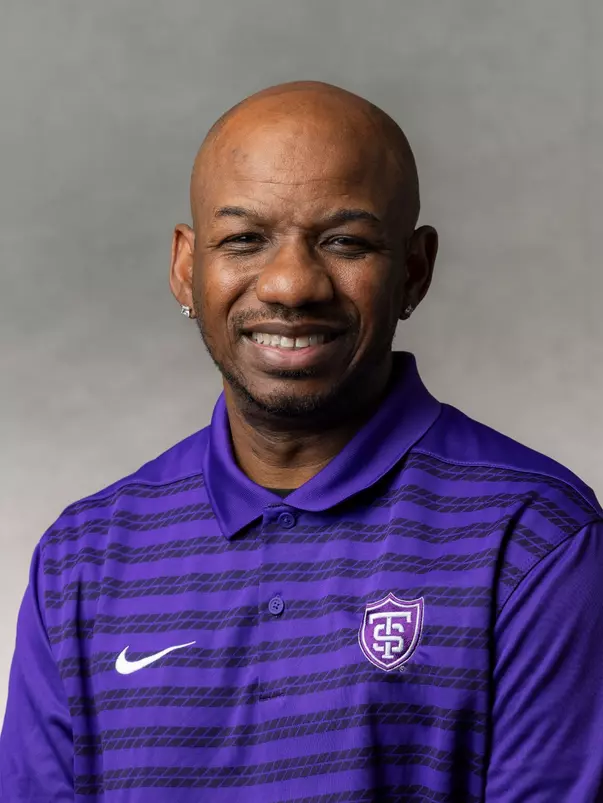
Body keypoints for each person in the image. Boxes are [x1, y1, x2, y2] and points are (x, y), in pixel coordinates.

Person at [1, 80, 601, 803]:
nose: (290, 284)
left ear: (412, 271)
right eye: (245, 239)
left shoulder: (535, 538)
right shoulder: (81, 559)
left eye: (344, 240)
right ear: (186, 267)